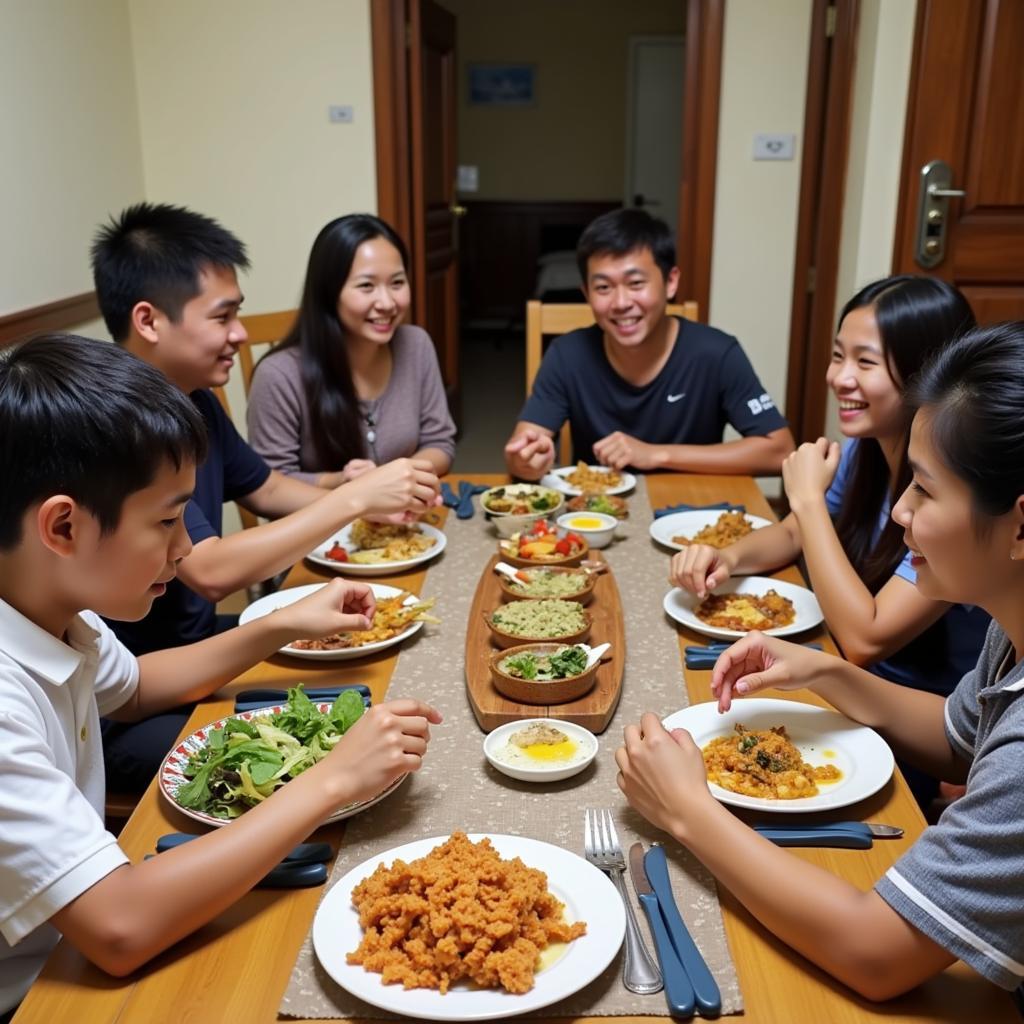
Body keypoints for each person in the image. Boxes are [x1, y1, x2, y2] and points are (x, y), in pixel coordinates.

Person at [0, 335, 441, 1019]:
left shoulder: (58, 612)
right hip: (40, 992)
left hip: (74, 937)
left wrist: (277, 624)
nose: (184, 551)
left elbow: (139, 685)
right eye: (168, 521)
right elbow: (119, 928)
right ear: (62, 526)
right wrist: (335, 779)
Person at [616, 322, 1024, 1002]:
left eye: (925, 490)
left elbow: (878, 954)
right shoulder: (1009, 625)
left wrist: (687, 809)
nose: (900, 511)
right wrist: (825, 673)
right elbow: (961, 740)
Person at [90, 202, 440, 790]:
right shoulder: (114, 424)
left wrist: (350, 487)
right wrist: (354, 500)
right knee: (326, 742)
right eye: (223, 317)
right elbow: (208, 570)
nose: (241, 335)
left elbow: (269, 488)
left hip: (199, 648)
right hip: (127, 697)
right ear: (149, 321)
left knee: (377, 670)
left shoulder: (192, 399)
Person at [670, 278, 987, 695]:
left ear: (927, 374)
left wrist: (807, 499)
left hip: (920, 714)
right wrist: (727, 558)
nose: (838, 377)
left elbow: (864, 640)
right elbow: (793, 533)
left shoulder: (951, 494)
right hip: (848, 680)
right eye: (838, 356)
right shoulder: (865, 450)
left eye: (865, 362)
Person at [503, 208, 794, 479]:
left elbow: (780, 451)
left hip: (692, 516)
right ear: (587, 293)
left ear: (670, 282)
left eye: (636, 284)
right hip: (596, 517)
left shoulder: (716, 353)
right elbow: (524, 447)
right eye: (603, 287)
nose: (620, 303)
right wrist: (525, 461)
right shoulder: (567, 354)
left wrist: (656, 454)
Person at [247, 214, 455, 485]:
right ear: (329, 293)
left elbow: (440, 443)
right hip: (320, 523)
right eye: (366, 286)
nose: (387, 302)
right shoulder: (278, 375)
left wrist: (392, 478)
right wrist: (346, 483)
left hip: (402, 519)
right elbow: (270, 485)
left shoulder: (416, 345)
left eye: (397, 283)